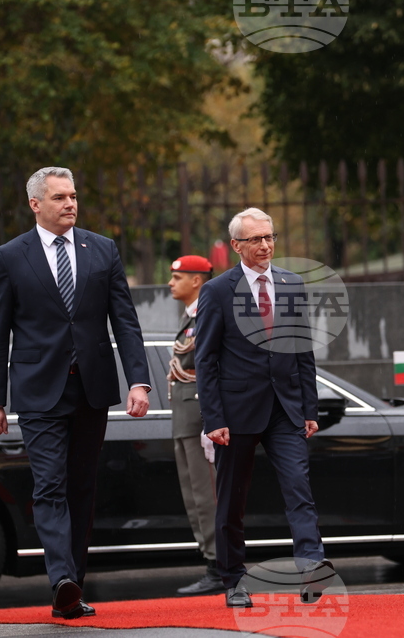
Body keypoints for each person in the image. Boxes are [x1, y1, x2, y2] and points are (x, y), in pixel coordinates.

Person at [0, 167, 151, 619]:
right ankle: (62, 579)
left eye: (73, 195)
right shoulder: (10, 257)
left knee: (81, 489)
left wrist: (139, 380)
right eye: (59, 197)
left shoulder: (103, 249)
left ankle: (73, 587)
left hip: (92, 389)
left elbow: (125, 321)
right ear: (36, 204)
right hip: (39, 392)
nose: (70, 204)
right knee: (50, 484)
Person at [194, 207, 333, 608]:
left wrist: (310, 408)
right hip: (235, 415)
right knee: (232, 501)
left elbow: (302, 349)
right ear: (236, 245)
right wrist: (214, 419)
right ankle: (234, 579)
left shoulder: (291, 284)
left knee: (299, 490)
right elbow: (206, 360)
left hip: (285, 410)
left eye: (269, 237)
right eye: (256, 239)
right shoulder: (218, 291)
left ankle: (312, 569)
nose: (266, 245)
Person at [166, 255, 226, 596]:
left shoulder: (206, 315)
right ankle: (212, 561)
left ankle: (219, 566)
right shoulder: (191, 318)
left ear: (197, 281)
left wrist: (211, 421)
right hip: (185, 418)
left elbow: (212, 367)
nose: (171, 283)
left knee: (208, 497)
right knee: (195, 497)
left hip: (199, 417)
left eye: (178, 277)